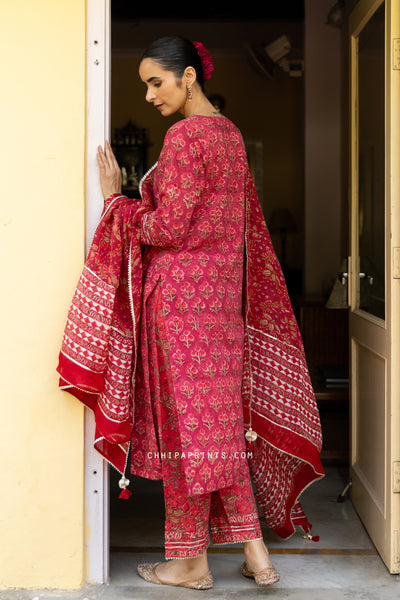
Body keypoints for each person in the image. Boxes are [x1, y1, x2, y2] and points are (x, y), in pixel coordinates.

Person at [58, 35, 323, 592]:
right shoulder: (229, 136)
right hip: (222, 306)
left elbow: (168, 228)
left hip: (177, 306)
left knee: (185, 435)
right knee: (219, 427)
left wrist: (117, 202)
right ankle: (255, 554)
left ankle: (191, 563)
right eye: (147, 86)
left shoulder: (184, 138)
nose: (151, 96)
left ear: (188, 78)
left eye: (157, 82)